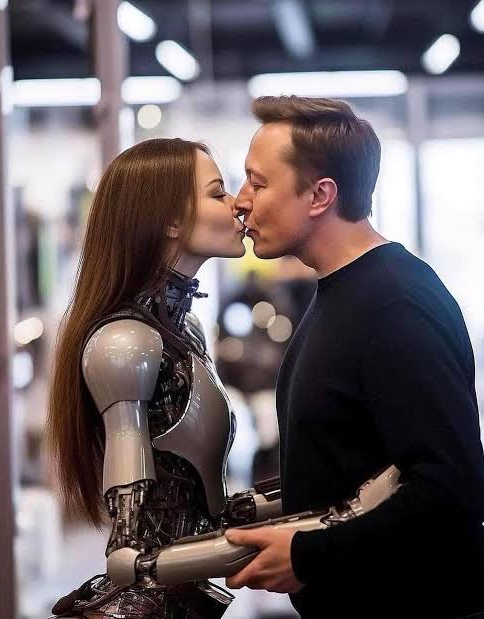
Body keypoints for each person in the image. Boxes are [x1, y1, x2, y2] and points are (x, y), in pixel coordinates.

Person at [225, 96, 484, 618]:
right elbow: (350, 467)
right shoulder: (340, 292)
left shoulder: (395, 305)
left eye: (258, 183)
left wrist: (309, 555)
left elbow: (452, 487)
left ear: (320, 195)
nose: (240, 202)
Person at [47, 138, 248, 618]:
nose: (238, 203)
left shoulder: (186, 332)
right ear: (171, 221)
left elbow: (204, 504)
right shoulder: (127, 343)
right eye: (217, 193)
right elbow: (129, 549)